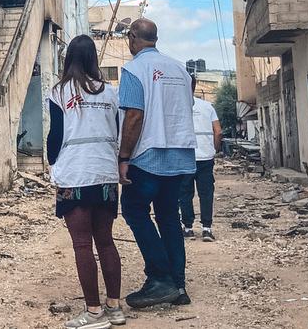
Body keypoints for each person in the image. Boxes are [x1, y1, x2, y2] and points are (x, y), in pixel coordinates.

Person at [116, 18, 197, 308]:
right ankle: (178, 285)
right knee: (168, 217)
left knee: (135, 210)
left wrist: (123, 157)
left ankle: (160, 277)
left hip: (148, 155)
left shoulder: (134, 69)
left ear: (134, 37)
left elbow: (134, 117)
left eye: (128, 37)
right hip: (180, 154)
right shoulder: (180, 69)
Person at [46, 35, 126, 328]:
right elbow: (117, 132)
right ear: (94, 58)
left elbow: (55, 136)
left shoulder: (60, 92)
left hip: (75, 174)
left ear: (69, 59)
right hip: (105, 173)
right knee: (106, 240)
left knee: (82, 244)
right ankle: (114, 308)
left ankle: (94, 313)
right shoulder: (111, 93)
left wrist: (53, 162)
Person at [180, 75, 221, 242]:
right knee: (206, 193)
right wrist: (214, 149)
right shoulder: (207, 106)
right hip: (205, 157)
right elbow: (218, 131)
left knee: (185, 194)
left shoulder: (177, 106)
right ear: (195, 86)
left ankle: (188, 228)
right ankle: (206, 229)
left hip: (185, 156)